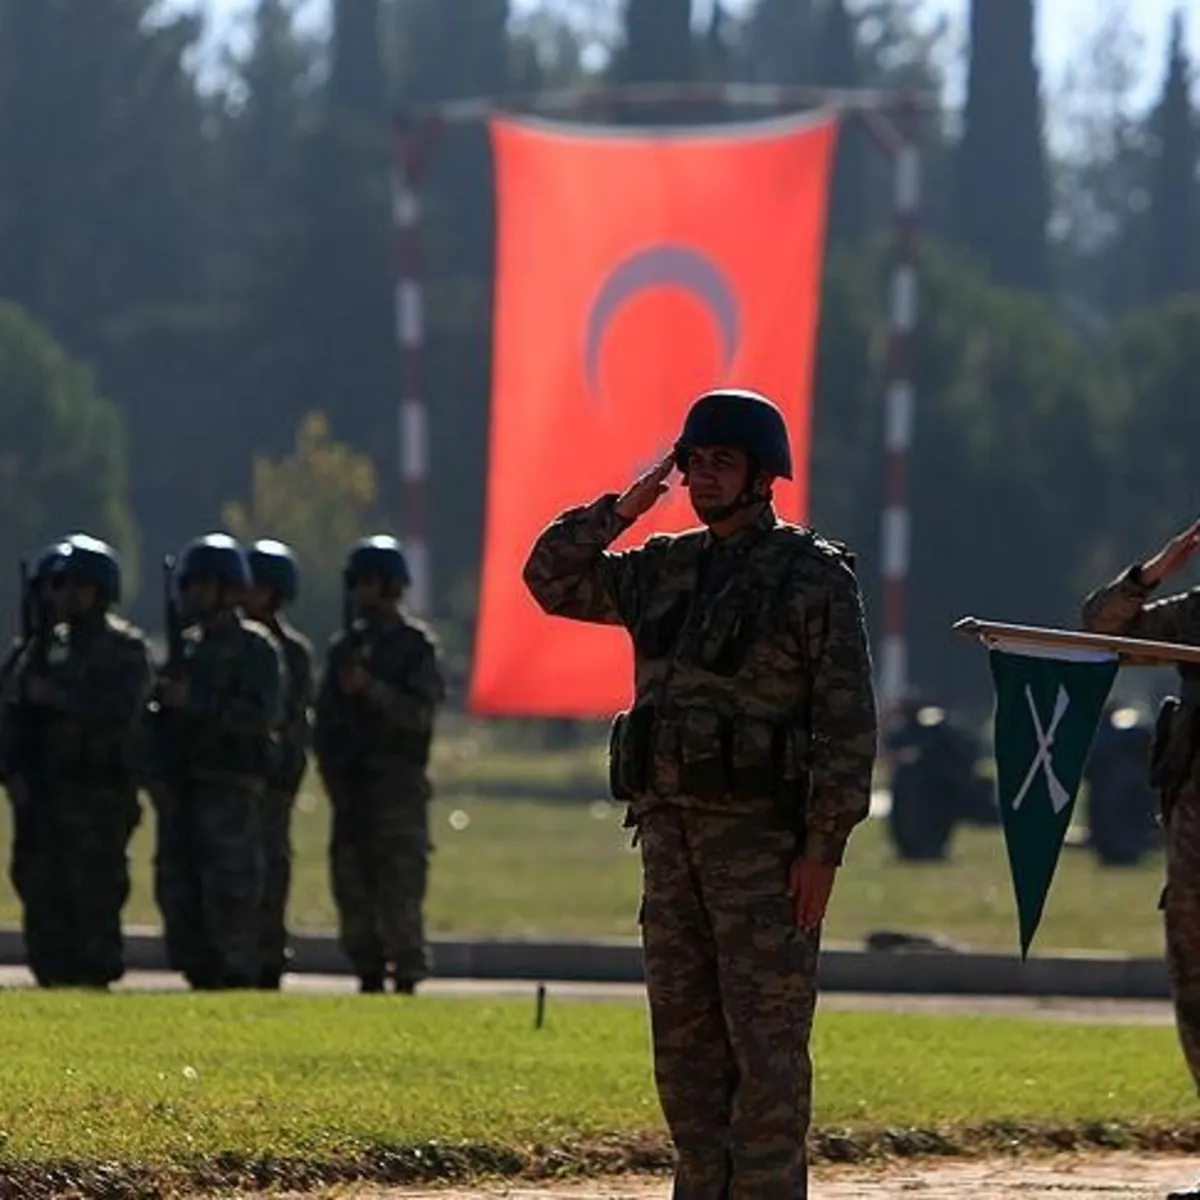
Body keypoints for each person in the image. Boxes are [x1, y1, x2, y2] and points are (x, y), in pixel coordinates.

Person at [523, 388, 878, 1198]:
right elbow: (549, 578)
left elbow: (848, 722)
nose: (705, 476)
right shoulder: (664, 570)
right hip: (672, 847)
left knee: (766, 1052)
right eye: (694, 462)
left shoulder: (811, 579)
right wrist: (624, 506)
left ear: (763, 477)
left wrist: (825, 846)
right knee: (685, 1053)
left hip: (765, 854)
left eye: (723, 461)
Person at [1080, 519, 1200, 1200]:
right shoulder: (1194, 615)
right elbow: (1101, 634)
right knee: (1194, 989)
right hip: (1193, 853)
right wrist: (1150, 575)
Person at [4, 536, 152, 987]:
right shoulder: (41, 648)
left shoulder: (123, 648)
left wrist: (58, 696)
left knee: (94, 892)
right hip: (46, 794)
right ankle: (51, 973)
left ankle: (92, 973)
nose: (63, 596)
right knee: (42, 891)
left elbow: (122, 707)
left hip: (98, 795)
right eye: (57, 586)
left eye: (73, 586)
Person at [149, 533, 283, 990]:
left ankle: (236, 972)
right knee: (179, 886)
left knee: (231, 888)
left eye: (200, 585)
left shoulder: (256, 649)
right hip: (185, 786)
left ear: (227, 589)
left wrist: (195, 700)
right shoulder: (186, 649)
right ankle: (197, 970)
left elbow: (260, 716)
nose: (190, 595)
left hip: (230, 789)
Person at [313, 536, 445, 995]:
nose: (360, 593)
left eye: (368, 582)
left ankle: (407, 969)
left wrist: (370, 689)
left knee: (399, 883)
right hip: (353, 786)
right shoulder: (342, 648)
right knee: (352, 883)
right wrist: (332, 777)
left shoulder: (415, 647)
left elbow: (419, 713)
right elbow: (325, 722)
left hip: (397, 788)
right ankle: (366, 969)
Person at [243, 539, 314, 989]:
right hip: (241, 777)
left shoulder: (291, 652)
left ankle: (268, 957)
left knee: (270, 868)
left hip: (273, 778)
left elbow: (292, 718)